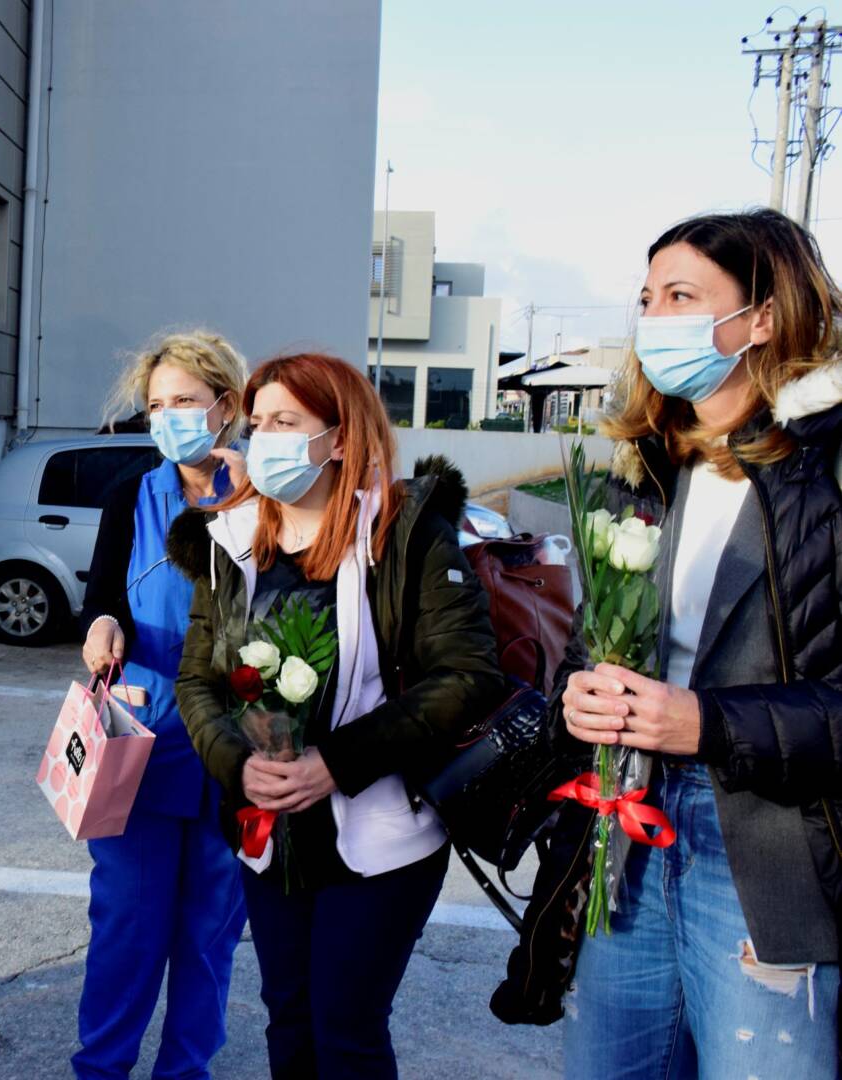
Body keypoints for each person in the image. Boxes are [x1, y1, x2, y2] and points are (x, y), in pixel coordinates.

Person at [542, 209, 842, 1077]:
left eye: (680, 296)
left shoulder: (821, 471)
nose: (653, 319)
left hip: (768, 856)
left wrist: (704, 723)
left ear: (762, 317)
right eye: (646, 299)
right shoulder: (645, 468)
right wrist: (578, 696)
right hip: (627, 832)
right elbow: (593, 648)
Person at [168, 353, 506, 1078]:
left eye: (286, 422)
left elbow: (468, 676)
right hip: (270, 833)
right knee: (289, 1021)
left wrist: (335, 763)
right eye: (258, 424)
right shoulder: (230, 540)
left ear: (341, 438)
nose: (264, 439)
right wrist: (237, 766)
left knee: (346, 1030)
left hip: (381, 833)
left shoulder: (405, 535)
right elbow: (197, 681)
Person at [72, 330, 250, 1080]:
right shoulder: (130, 496)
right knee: (126, 924)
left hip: (236, 744)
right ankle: (101, 1069)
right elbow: (103, 599)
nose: (169, 417)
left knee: (209, 932)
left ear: (226, 406)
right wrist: (100, 626)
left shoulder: (265, 498)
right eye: (157, 405)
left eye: (185, 401)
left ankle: (185, 1071)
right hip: (140, 739)